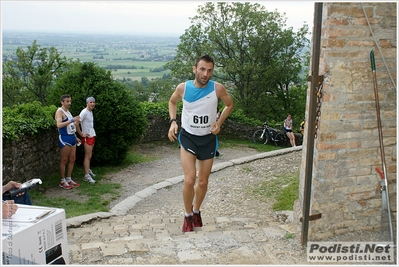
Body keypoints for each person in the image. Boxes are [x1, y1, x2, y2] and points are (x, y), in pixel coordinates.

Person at [168, 54, 234, 232]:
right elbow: (172, 102)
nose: (206, 73)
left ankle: (196, 210)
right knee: (189, 180)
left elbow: (229, 104)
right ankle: (188, 215)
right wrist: (173, 122)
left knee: (203, 182)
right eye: (202, 69)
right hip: (189, 137)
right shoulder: (183, 88)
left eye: (210, 70)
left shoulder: (217, 89)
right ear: (195, 69)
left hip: (208, 139)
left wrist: (218, 123)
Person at [55, 94, 81, 189]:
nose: (69, 103)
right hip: (65, 137)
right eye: (67, 101)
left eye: (70, 101)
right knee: (64, 159)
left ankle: (69, 178)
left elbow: (71, 126)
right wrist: (71, 120)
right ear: (62, 102)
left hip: (72, 137)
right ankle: (62, 180)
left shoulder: (68, 112)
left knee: (72, 158)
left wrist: (76, 136)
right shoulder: (59, 112)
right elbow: (59, 125)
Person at [77, 96, 97, 184]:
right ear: (87, 103)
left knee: (90, 155)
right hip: (87, 137)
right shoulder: (84, 112)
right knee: (87, 155)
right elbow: (76, 123)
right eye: (90, 102)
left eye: (93, 102)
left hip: (92, 135)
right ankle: (86, 176)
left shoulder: (90, 112)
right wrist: (81, 134)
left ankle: (88, 170)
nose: (92, 104)